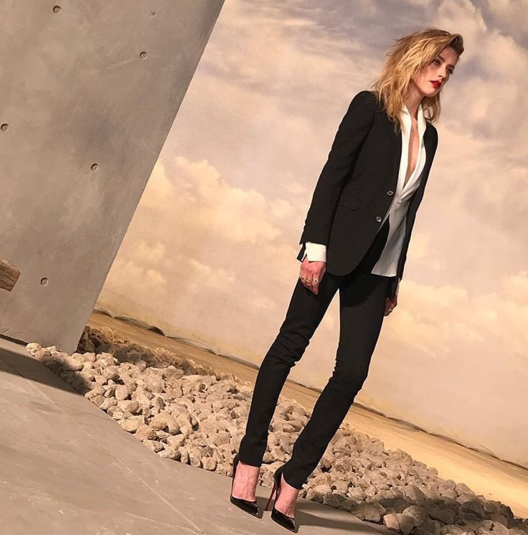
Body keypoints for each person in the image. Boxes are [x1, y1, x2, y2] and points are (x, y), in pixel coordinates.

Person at [229, 27, 464, 532]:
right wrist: (314, 247)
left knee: (352, 373)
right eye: (437, 62)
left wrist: (395, 278)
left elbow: (408, 212)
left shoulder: (430, 136)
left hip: (379, 268)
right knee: (288, 348)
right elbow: (332, 177)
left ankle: (292, 479)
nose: (443, 74)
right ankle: (248, 460)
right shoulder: (369, 108)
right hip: (332, 252)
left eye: (450, 68)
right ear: (414, 58)